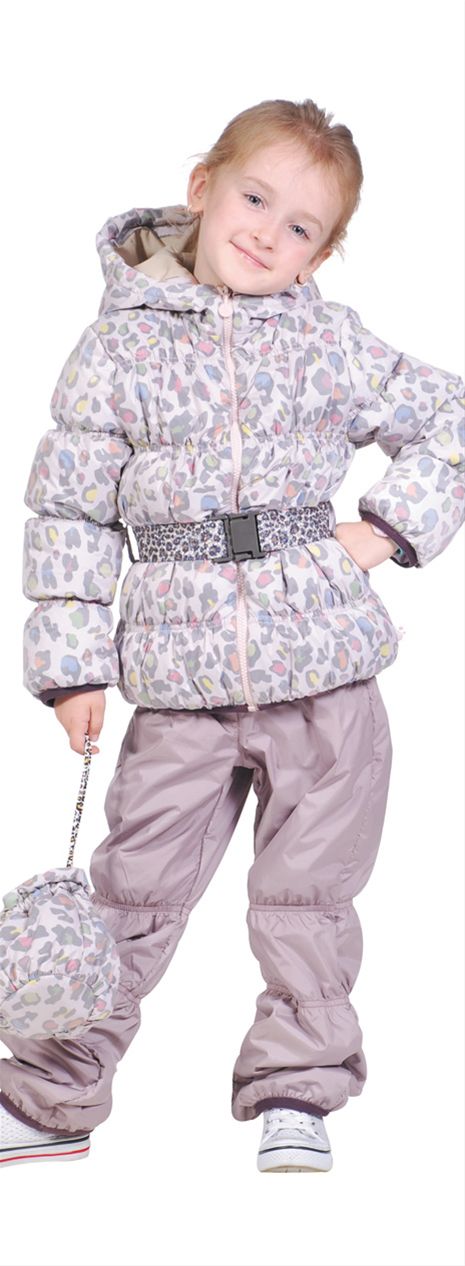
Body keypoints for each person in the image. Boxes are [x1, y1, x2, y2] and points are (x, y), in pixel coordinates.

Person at [0, 97, 463, 1172]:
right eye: (255, 199)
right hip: (179, 682)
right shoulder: (116, 350)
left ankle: (298, 1090)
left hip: (327, 676)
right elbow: (70, 513)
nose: (267, 233)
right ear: (203, 189)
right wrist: (73, 671)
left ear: (322, 253)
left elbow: (450, 417)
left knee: (307, 900)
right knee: (132, 896)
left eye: (301, 226)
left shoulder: (329, 342)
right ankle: (54, 1096)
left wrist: (387, 531)